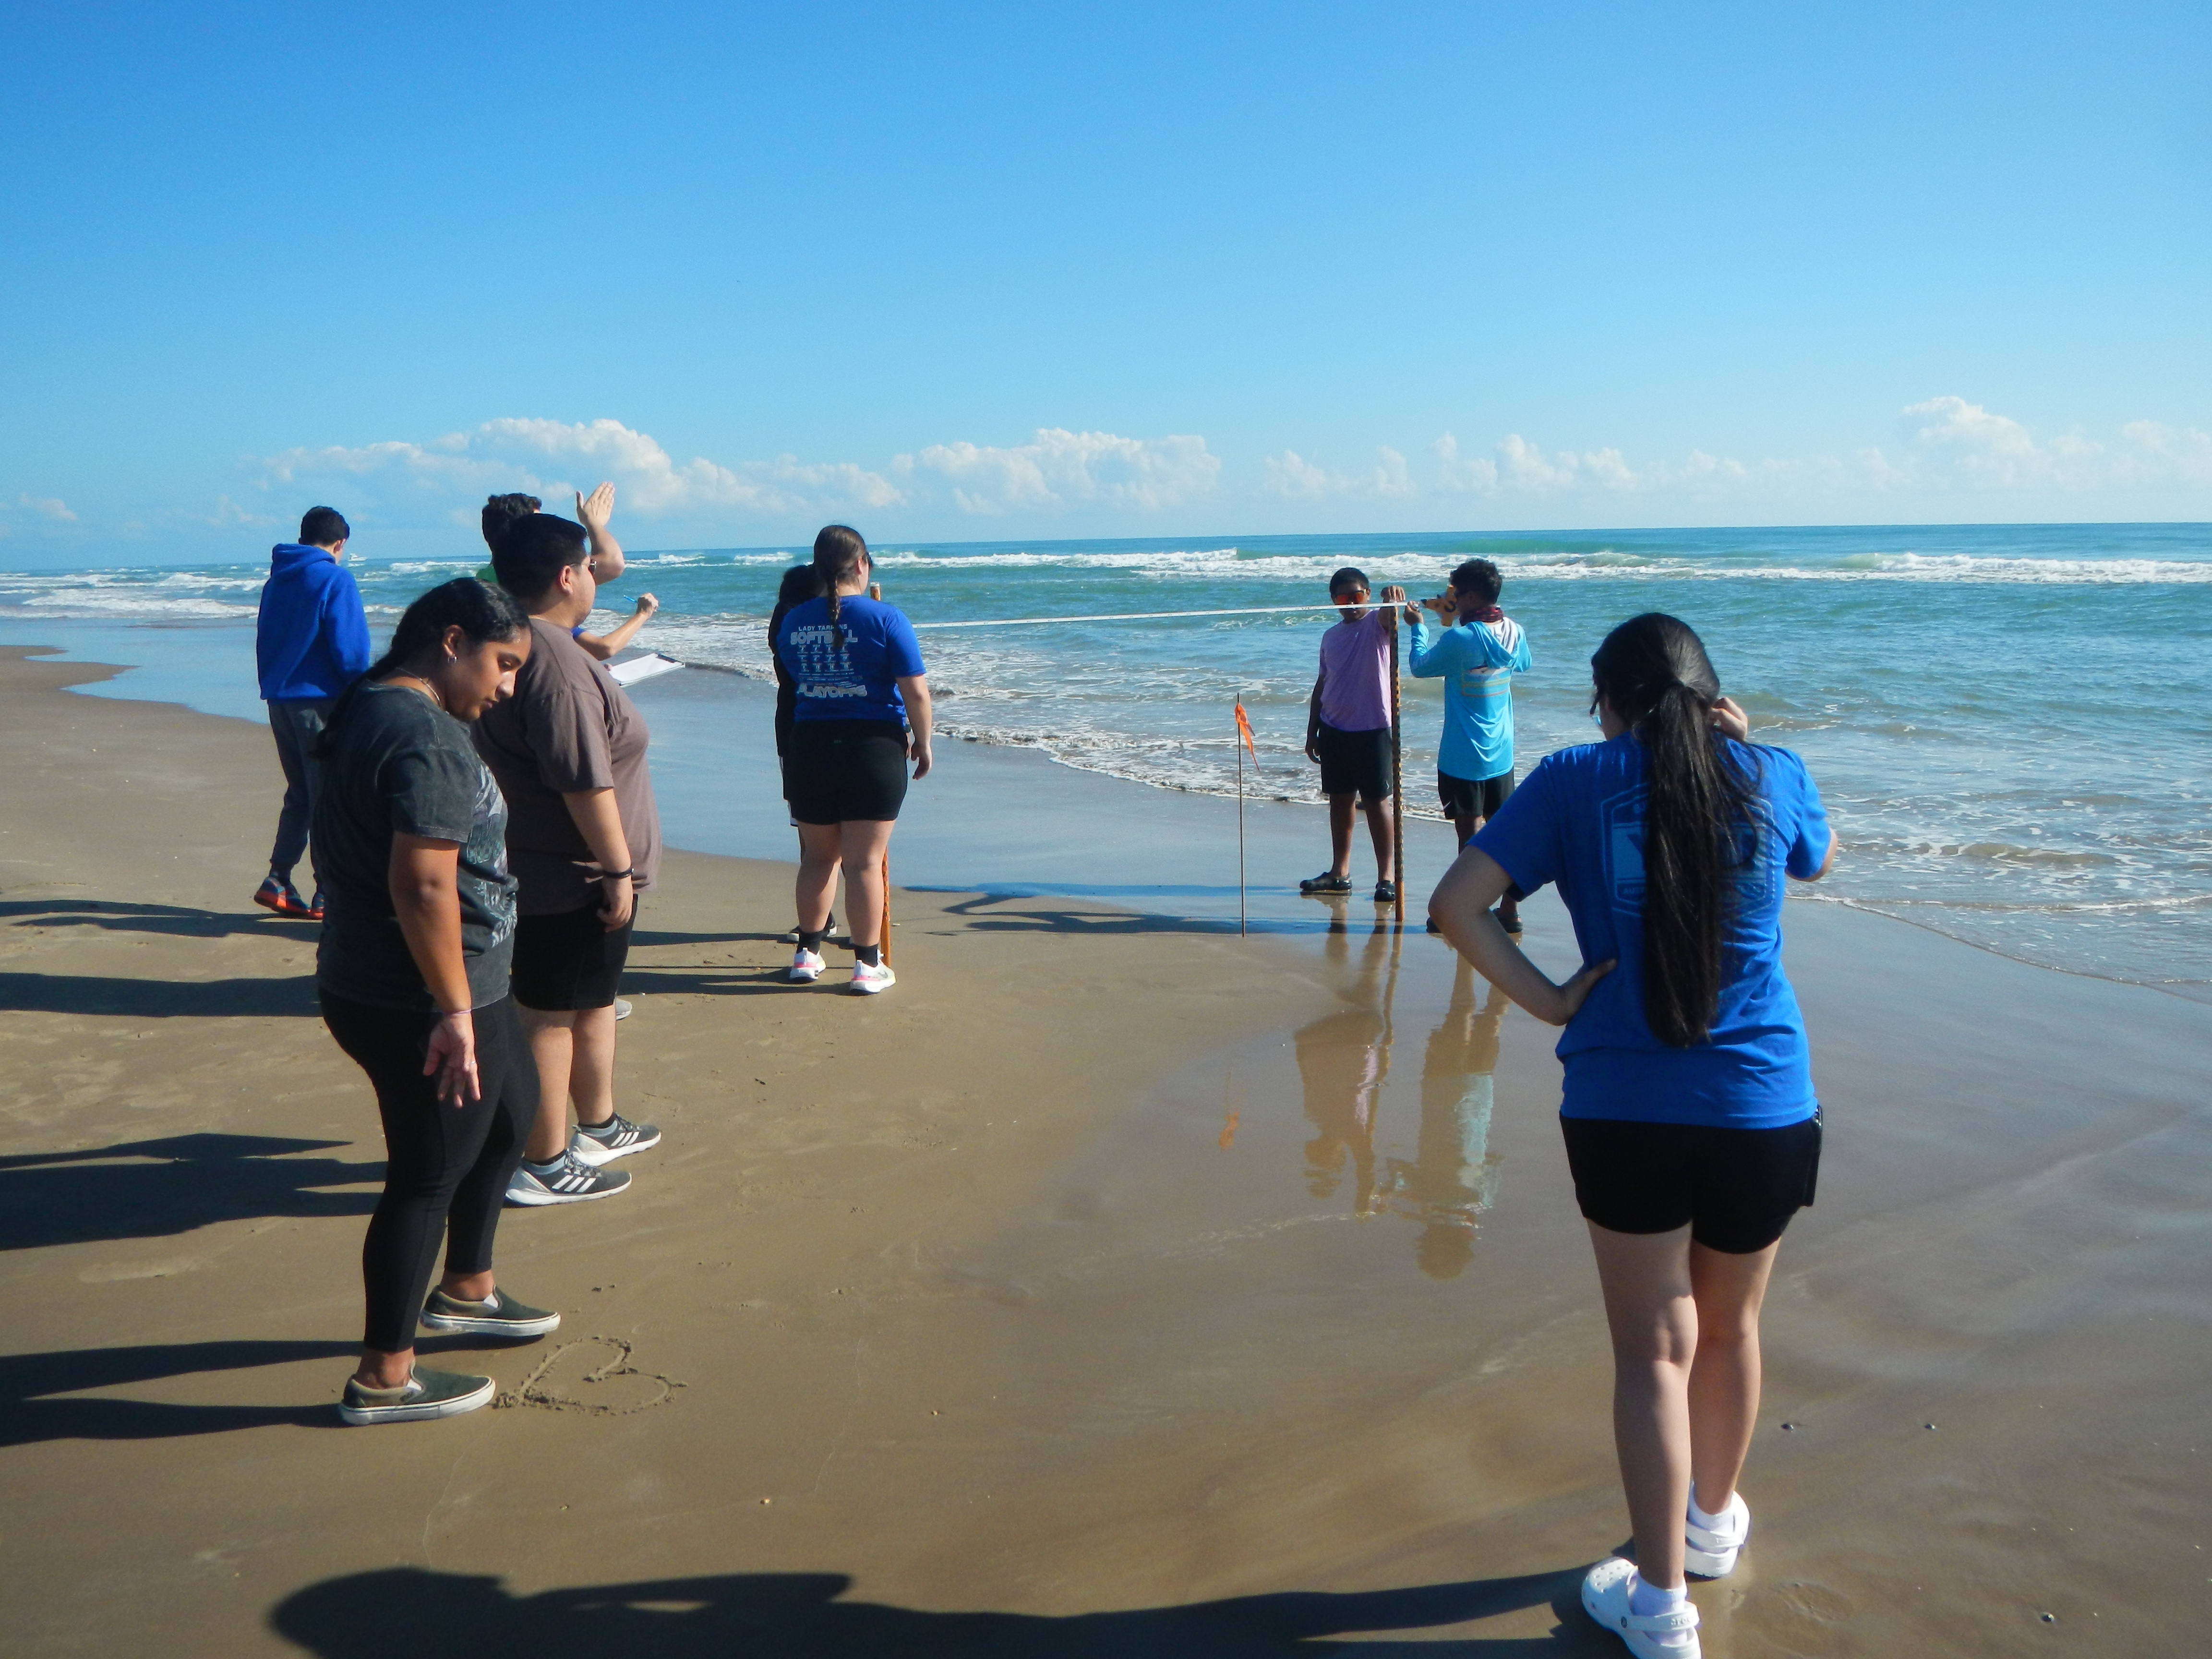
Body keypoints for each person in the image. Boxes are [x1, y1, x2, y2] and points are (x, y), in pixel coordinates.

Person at [1430, 613, 1834, 1659]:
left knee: (1653, 1349)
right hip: (1759, 1101)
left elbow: (1456, 904)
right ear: (1709, 698)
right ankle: (1711, 1527)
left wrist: (1553, 1001)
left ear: (1607, 702)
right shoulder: (1771, 770)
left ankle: (1659, 1608)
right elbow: (1815, 860)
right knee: (1731, 1328)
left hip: (1621, 1105)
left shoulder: (1573, 777)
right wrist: (1745, 743)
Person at [312, 577, 559, 1426]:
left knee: (511, 1113)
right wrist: (453, 1010)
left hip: (413, 980)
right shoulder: (423, 734)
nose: (508, 686)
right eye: (503, 664)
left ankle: (467, 1288)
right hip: (420, 994)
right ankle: (384, 1376)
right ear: (452, 642)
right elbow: (422, 883)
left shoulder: (370, 705)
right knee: (425, 1175)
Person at [475, 505, 664, 1205]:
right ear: (565, 576)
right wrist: (617, 870)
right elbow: (583, 780)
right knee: (550, 1014)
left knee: (590, 1001)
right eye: (588, 566)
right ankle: (544, 1161)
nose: (593, 577)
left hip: (553, 863)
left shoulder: (524, 645)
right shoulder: (554, 662)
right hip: (571, 872)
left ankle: (597, 1125)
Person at [773, 526, 932, 994]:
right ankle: (867, 964)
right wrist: (924, 743)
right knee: (864, 862)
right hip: (872, 747)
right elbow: (915, 691)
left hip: (810, 746)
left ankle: (807, 953)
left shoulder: (793, 620)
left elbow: (794, 676)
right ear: (862, 565)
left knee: (819, 858)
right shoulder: (887, 618)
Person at [253, 506, 371, 920]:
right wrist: (362, 691)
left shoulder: (276, 581)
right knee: (328, 796)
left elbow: (266, 639)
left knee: (302, 793)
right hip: (321, 700)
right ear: (339, 544)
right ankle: (327, 889)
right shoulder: (336, 578)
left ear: (304, 538)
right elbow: (350, 649)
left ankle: (279, 877)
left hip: (281, 699)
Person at [1406, 558, 1531, 932]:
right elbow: (1523, 663)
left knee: (1469, 839)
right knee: (1504, 833)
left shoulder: (1461, 639)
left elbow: (1419, 667)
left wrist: (1418, 628)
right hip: (1501, 752)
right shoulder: (1514, 631)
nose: (1453, 600)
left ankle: (1466, 910)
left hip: (1462, 755)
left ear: (1472, 597)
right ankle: (1509, 910)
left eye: (1457, 594)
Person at [1298, 566, 1411, 905]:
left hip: (1373, 728)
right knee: (1340, 801)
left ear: (1368, 595)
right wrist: (1312, 731)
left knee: (1377, 802)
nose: (1350, 604)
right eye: (1343, 599)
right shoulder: (1331, 636)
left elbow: (1392, 619)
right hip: (1334, 728)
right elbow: (1322, 683)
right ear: (1334, 601)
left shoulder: (1377, 623)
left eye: (1356, 597)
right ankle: (1340, 872)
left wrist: (1392, 599)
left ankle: (1386, 877)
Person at [479, 489, 653, 660]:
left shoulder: (483, 585)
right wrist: (593, 523)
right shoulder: (535, 578)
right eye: (540, 523)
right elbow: (613, 564)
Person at [769, 562, 836, 941]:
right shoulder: (792, 622)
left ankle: (834, 919)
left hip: (803, 727)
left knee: (820, 828)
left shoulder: (799, 620)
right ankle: (822, 919)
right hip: (799, 727)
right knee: (812, 828)